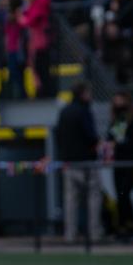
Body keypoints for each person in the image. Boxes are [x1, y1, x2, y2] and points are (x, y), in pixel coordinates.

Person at [56, 82, 101, 242]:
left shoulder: (65, 111)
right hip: (85, 160)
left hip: (69, 161)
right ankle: (94, 233)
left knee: (71, 200)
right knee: (93, 197)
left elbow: (58, 135)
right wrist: (96, 145)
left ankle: (70, 234)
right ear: (82, 94)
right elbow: (90, 135)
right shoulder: (84, 111)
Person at [107, 91, 133, 239]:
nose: (118, 104)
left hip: (131, 162)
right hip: (119, 163)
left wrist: (119, 143)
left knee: (126, 194)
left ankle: (130, 226)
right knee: (121, 195)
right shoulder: (119, 119)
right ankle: (123, 227)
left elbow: (131, 142)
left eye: (120, 101)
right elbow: (113, 138)